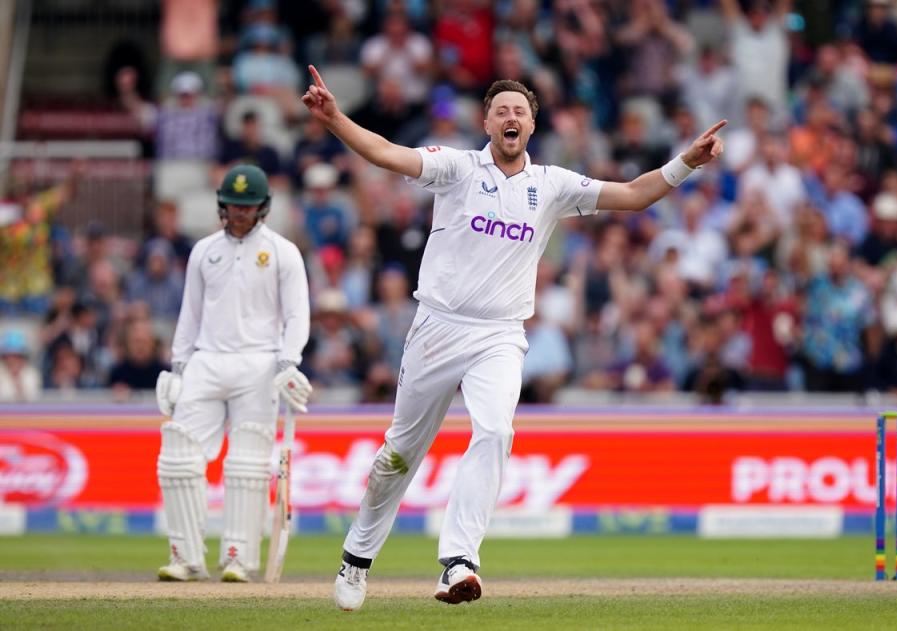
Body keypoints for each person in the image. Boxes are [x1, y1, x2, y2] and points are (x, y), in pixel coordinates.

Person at [302, 65, 725, 609]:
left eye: (519, 111)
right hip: (437, 326)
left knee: (496, 429)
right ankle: (356, 560)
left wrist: (686, 161)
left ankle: (458, 561)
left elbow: (633, 194)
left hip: (500, 333)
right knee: (399, 456)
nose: (510, 117)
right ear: (485, 122)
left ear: (531, 124)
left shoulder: (551, 185)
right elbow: (386, 153)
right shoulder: (455, 168)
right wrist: (335, 118)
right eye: (500, 110)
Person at [153, 164, 311, 583]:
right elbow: (190, 312)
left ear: (263, 208)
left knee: (247, 464)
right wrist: (178, 366)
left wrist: (289, 361)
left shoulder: (282, 251)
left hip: (260, 363)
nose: (240, 213)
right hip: (206, 359)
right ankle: (186, 557)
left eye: (248, 206)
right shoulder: (204, 250)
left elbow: (297, 314)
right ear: (222, 205)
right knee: (176, 458)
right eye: (234, 205)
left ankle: (238, 557)